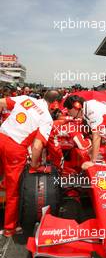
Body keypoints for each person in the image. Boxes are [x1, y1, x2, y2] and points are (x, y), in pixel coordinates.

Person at [0, 90, 58, 237]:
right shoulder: (46, 118)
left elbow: (1, 102)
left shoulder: (26, 99)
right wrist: (34, 165)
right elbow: (38, 146)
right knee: (13, 191)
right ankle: (9, 228)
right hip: (15, 148)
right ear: (54, 105)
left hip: (1, 136)